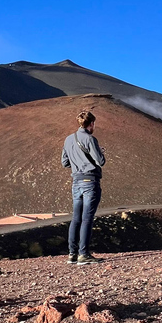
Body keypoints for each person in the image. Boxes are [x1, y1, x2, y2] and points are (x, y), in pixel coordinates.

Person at [61, 110, 106, 265]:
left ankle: (72, 254)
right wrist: (100, 152)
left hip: (76, 182)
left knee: (76, 218)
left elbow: (64, 162)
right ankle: (83, 254)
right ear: (91, 123)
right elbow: (100, 161)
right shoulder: (90, 139)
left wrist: (77, 162)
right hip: (90, 181)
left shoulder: (68, 139)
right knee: (87, 219)